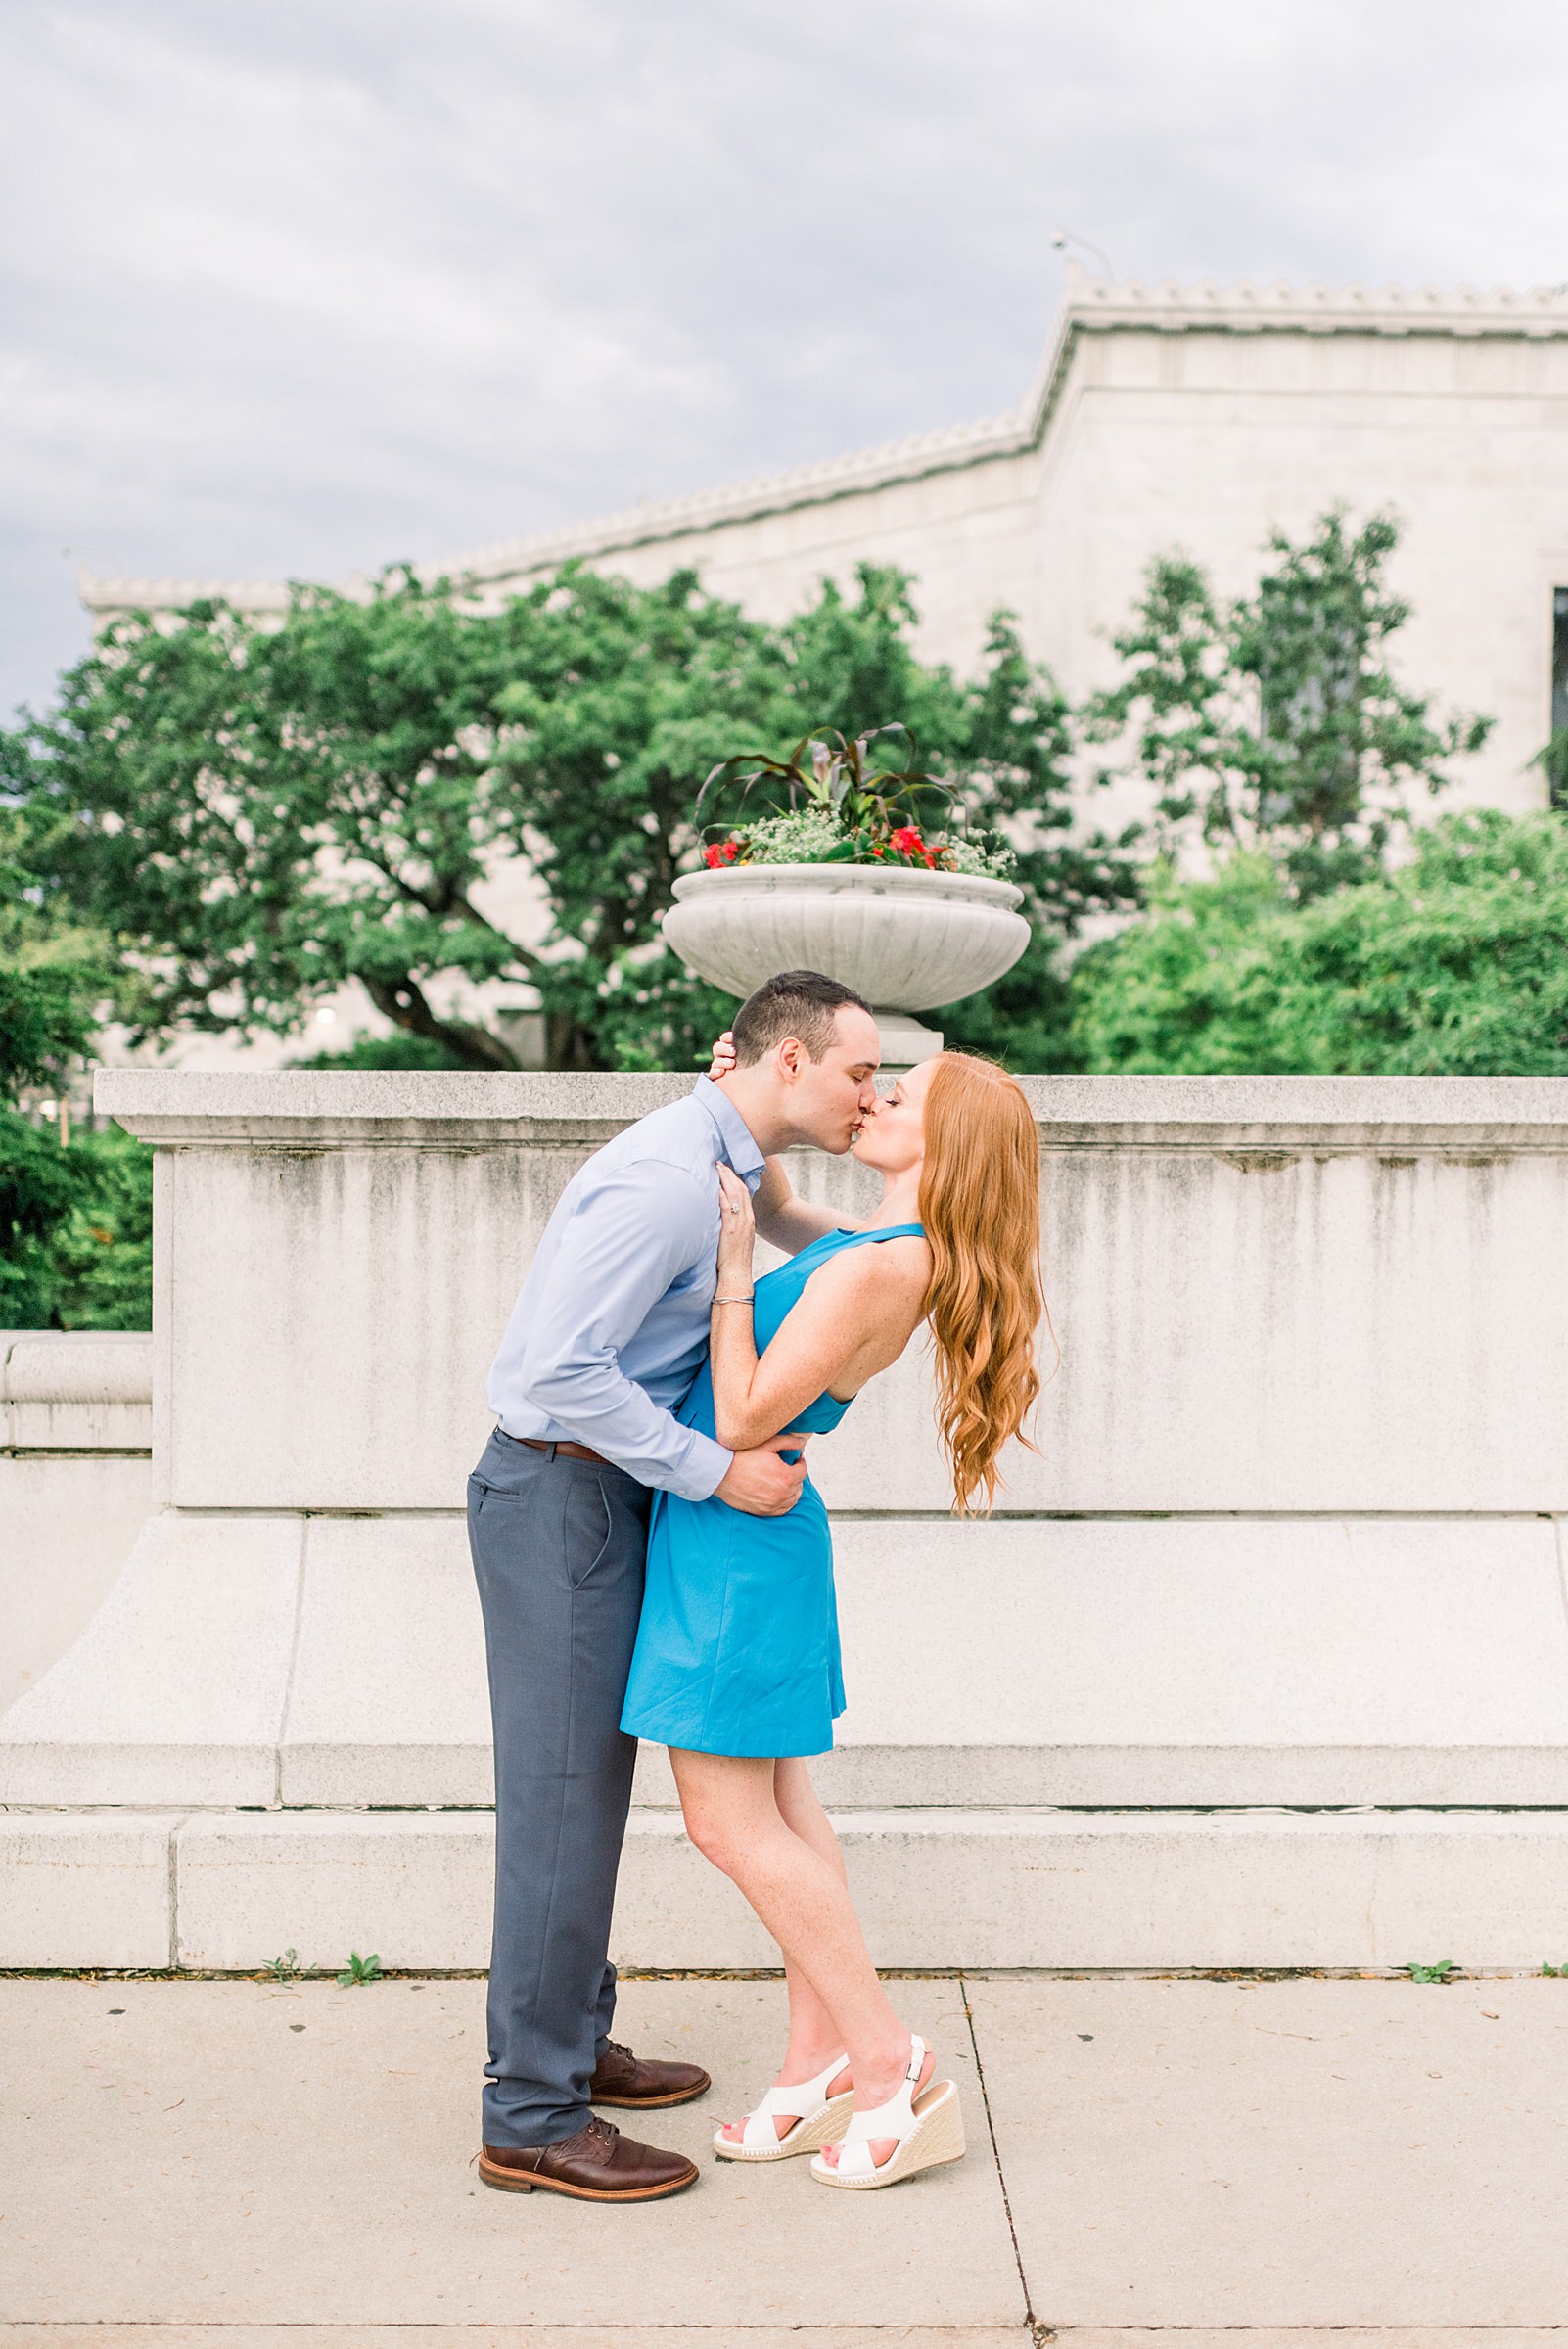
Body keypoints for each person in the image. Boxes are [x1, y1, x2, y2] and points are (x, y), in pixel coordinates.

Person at [468, 970, 882, 2204]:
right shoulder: (668, 1186)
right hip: (561, 1494)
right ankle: (530, 2114)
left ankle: (570, 2047)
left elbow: (811, 1238)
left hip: (606, 1494)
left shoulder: (731, 1156)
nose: (876, 1091)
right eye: (861, 1069)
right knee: (561, 1803)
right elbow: (558, 1369)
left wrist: (917, 1236)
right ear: (790, 1062)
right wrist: (715, 1472)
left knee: (588, 1790)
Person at [622, 1041, 1043, 2190]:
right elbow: (792, 1205)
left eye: (901, 1095)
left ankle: (883, 2058)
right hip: (745, 1544)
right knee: (783, 1811)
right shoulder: (877, 1245)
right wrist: (744, 1089)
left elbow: (752, 1409)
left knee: (726, 1823)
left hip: (740, 1548)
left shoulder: (885, 1267)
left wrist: (724, 1273)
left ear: (945, 1143)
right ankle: (814, 2064)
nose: (878, 1095)